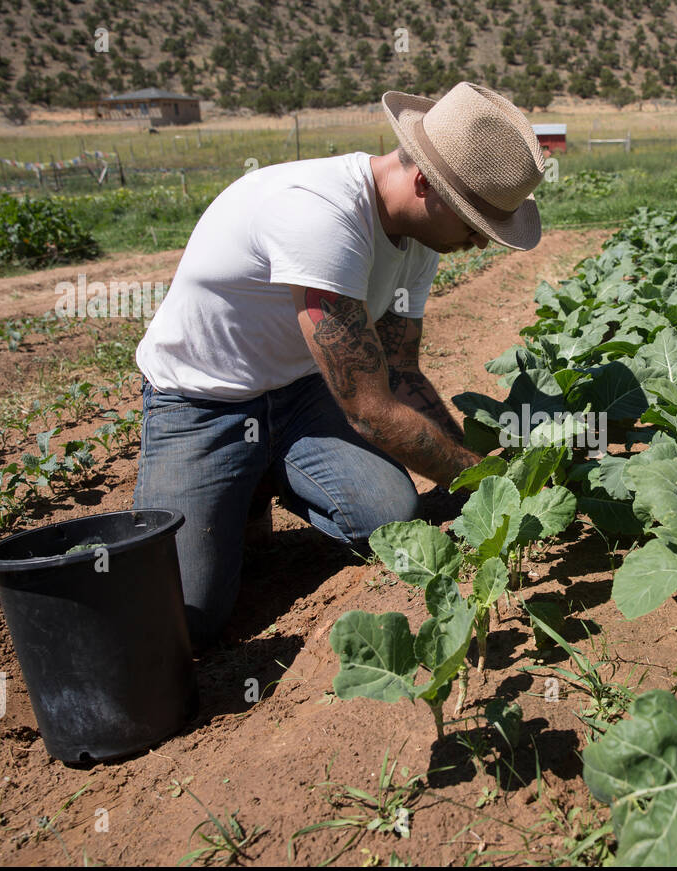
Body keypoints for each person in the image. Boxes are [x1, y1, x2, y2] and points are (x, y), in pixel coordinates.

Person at [132, 82, 545, 646]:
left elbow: (399, 369)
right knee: (187, 617)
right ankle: (247, 484)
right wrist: (493, 482)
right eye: (475, 224)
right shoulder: (320, 214)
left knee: (391, 515)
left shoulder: (421, 235)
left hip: (302, 393)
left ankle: (267, 470)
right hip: (205, 402)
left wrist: (474, 481)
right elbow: (372, 411)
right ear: (424, 182)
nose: (477, 243)